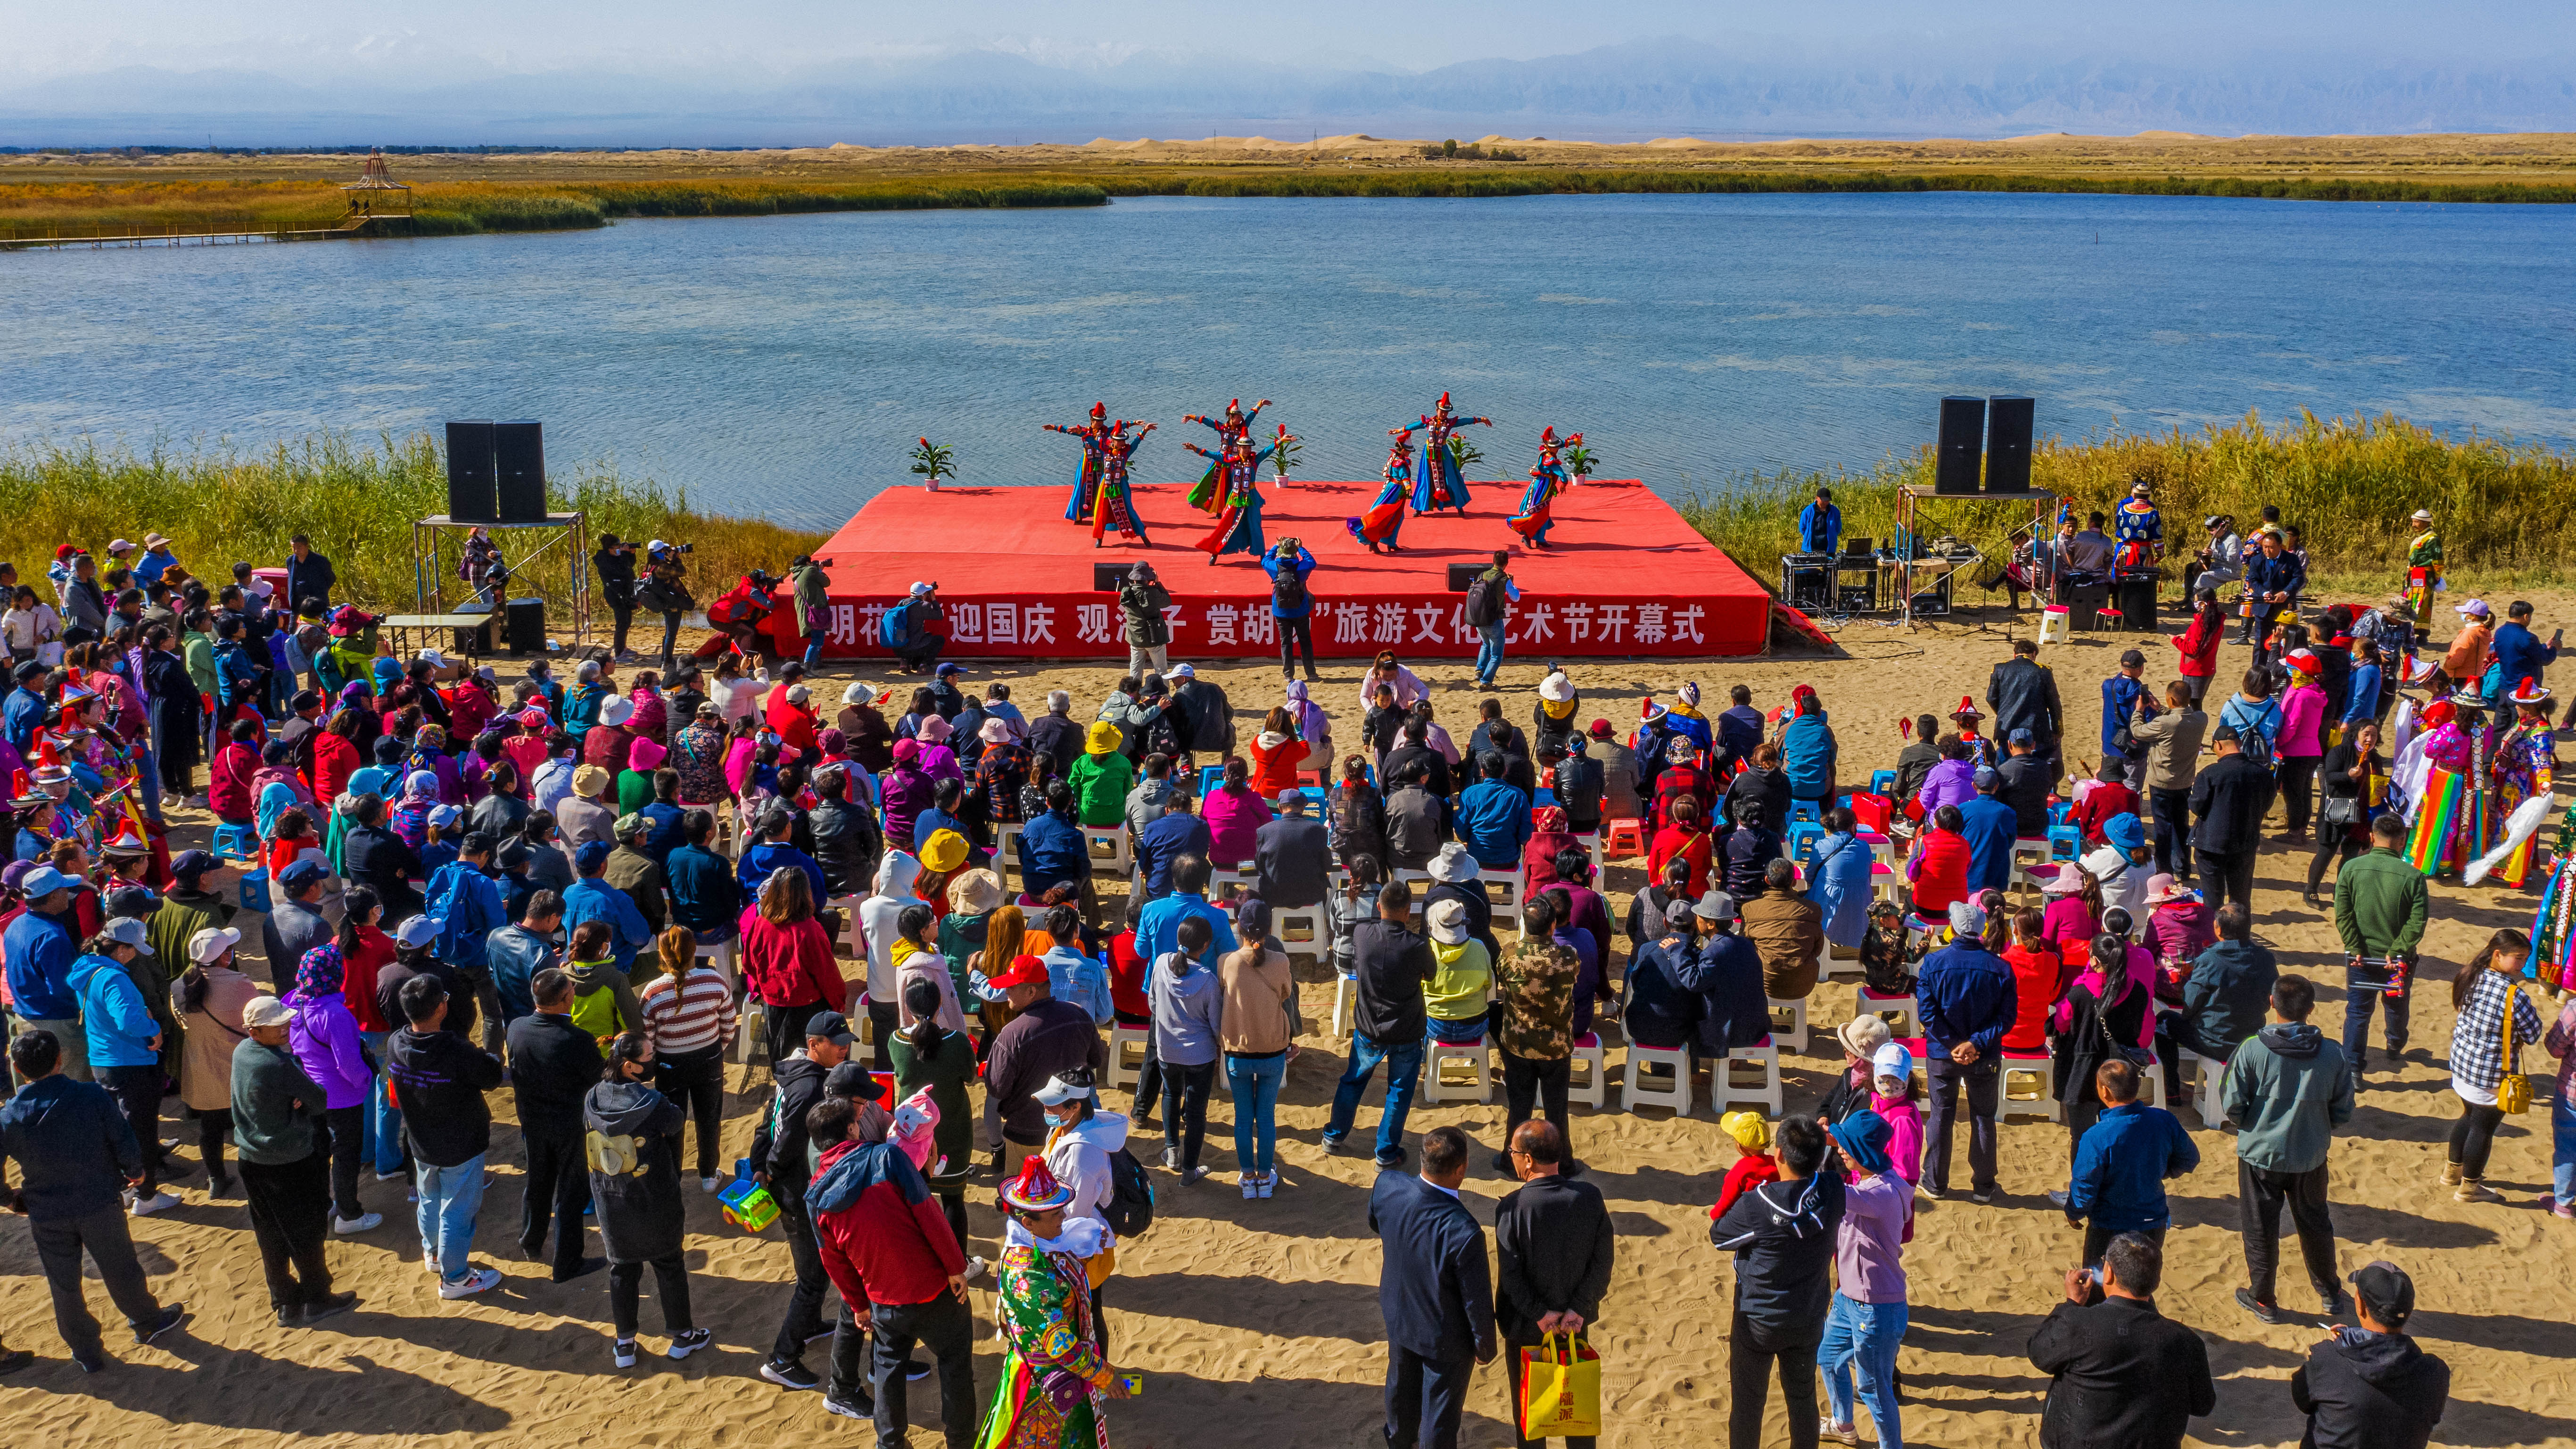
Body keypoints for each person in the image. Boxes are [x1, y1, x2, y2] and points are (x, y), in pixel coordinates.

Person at [0, 1029, 190, 1367]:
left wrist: (10, 1199)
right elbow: (123, 1138)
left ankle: (86, 1350)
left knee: (64, 1283)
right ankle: (147, 1322)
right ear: (60, 1059)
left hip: (46, 1210)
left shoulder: (9, 1116)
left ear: (16, 1066)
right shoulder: (90, 1096)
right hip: (97, 1200)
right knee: (121, 1267)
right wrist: (136, 1173)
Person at [811, 1097, 982, 1442]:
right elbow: (928, 1214)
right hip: (932, 1290)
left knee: (889, 1368)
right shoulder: (888, 1157)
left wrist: (859, 1304)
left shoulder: (816, 1195)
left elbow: (834, 1260)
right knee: (954, 1360)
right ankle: (961, 1439)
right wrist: (955, 1267)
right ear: (852, 1128)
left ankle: (890, 1441)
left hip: (885, 1303)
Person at [2222, 974, 2355, 1324]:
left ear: (2271, 1003)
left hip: (2260, 1154)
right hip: (2310, 1154)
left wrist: (2254, 1123)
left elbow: (2233, 1104)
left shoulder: (2252, 1049)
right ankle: (2329, 1291)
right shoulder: (2333, 1053)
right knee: (2315, 1222)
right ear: (2311, 1010)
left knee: (2260, 1226)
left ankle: (2263, 1297)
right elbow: (2343, 1109)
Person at [1710, 1114, 1845, 1449]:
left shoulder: (1756, 1204)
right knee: (1802, 1398)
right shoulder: (1833, 1189)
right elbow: (1832, 1172)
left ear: (1779, 1154)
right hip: (1808, 1317)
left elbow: (1718, 1236)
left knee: (1748, 1404)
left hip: (1759, 1320)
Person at [230, 992, 357, 1326]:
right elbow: (318, 1099)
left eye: (284, 1020)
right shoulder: (279, 1064)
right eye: (276, 1024)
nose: (284, 1026)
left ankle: (285, 1300)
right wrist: (298, 1100)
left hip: (252, 1158)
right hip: (291, 1161)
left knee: (269, 1232)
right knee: (308, 1230)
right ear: (254, 1030)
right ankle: (317, 1298)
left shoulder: (243, 1052)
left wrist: (292, 1100)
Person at [979, 1155, 1123, 1448]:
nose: (1064, 1218)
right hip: (1047, 1384)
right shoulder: (1028, 1275)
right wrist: (1104, 1375)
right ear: (1029, 1223)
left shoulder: (1042, 1247)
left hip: (1065, 1375)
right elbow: (1058, 1343)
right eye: (1056, 1215)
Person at [587, 1032, 711, 1366]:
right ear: (630, 1066)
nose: (653, 1061)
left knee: (622, 1269)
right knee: (670, 1265)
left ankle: (624, 1343)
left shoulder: (593, 1099)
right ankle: (683, 1336)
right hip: (654, 1198)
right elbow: (675, 1121)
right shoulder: (649, 1102)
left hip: (612, 1202)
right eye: (648, 1057)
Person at [2027, 1233, 2215, 1449]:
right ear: (2156, 1281)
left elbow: (2038, 1353)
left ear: (2108, 1274)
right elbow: (2203, 1405)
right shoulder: (2186, 1341)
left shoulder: (2079, 1324)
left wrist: (2070, 1304)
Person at [1372, 1124, 1497, 1449]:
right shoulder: (1465, 1230)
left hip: (1399, 1315)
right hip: (1445, 1338)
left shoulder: (1388, 1185)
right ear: (1462, 1169)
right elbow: (1476, 1299)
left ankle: (1399, 1442)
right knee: (1438, 1416)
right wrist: (1485, 1346)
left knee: (1400, 1389)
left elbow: (1377, 1222)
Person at [749, 1009, 853, 1392]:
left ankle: (808, 1326)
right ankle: (782, 1358)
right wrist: (772, 1170)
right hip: (796, 1191)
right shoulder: (811, 1087)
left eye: (847, 1043)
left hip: (787, 1185)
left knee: (810, 1270)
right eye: (838, 1045)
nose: (845, 1050)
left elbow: (767, 1121)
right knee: (813, 1278)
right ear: (814, 1045)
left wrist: (760, 1162)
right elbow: (791, 1135)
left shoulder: (790, 1073)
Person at [1494, 1120, 1613, 1449]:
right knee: (1577, 1410)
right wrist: (1577, 1309)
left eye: (1513, 1152)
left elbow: (1512, 1275)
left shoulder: (1512, 1207)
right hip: (1574, 1328)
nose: (1513, 1158)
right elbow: (1602, 1263)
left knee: (1531, 1418)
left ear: (1529, 1160)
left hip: (1526, 1327)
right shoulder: (1590, 1197)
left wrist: (1540, 1313)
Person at [388, 973, 506, 1299]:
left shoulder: (396, 1043)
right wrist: (492, 1058)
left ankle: (435, 1254)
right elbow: (491, 1077)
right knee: (457, 1209)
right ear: (441, 1008)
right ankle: (455, 1278)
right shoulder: (455, 1049)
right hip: (461, 1144)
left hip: (421, 1142)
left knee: (429, 1199)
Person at [69, 917, 177, 1212]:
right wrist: (152, 1029)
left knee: (118, 1130)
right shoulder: (115, 978)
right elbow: (128, 1020)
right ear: (120, 949)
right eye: (134, 949)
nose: (137, 954)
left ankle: (127, 1188)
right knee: (140, 1132)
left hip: (104, 1062)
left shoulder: (88, 969)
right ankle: (147, 1196)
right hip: (129, 1064)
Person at [506, 968, 606, 1282]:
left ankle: (530, 1239)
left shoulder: (517, 1027)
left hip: (533, 1121)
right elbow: (598, 1080)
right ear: (564, 1000)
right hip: (570, 1126)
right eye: (571, 992)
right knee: (571, 1193)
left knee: (538, 1181)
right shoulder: (576, 1039)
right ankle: (567, 1263)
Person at [1327, 878, 1435, 1169]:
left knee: (1353, 1081)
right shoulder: (1417, 946)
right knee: (1398, 1093)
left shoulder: (1363, 934)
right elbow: (1431, 974)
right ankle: (1386, 1153)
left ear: (1379, 907)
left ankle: (1334, 1137)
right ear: (1408, 911)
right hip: (1405, 1031)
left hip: (1369, 1027)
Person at [1818, 1110, 1908, 1449]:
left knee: (1874, 1386)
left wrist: (1812, 1147)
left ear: (1865, 1151)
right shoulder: (1874, 1183)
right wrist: (1832, 1139)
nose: (1841, 1149)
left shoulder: (1880, 1193)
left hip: (1877, 1308)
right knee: (1828, 1358)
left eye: (1847, 1145)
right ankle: (1843, 1424)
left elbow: (1830, 1191)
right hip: (1847, 1298)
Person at [1915, 897, 2014, 1203]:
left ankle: (1935, 1181)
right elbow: (2006, 1019)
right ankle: (1984, 1185)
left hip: (1944, 1055)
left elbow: (1927, 1013)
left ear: (1953, 928)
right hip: (1983, 1055)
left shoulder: (1933, 963)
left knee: (1941, 1115)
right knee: (1983, 1115)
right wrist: (1975, 1043)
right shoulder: (2001, 968)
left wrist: (1955, 1044)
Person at [2292, 1260, 2451, 1449]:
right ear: (2408, 1313)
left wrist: (2343, 1349)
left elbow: (2302, 1400)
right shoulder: (2436, 1373)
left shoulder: (2327, 1358)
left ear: (2360, 1305)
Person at [2441, 928, 2546, 1204]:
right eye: (2519, 958)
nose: (2523, 965)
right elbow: (2534, 1035)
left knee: (2467, 1117)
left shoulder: (2470, 975)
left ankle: (2452, 1172)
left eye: (2525, 959)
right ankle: (2469, 1187)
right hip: (2490, 1072)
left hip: (2463, 1063)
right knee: (2483, 1129)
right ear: (2497, 954)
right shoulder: (2514, 995)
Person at [982, 953, 1108, 1179]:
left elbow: (997, 1088)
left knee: (1023, 1200)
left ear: (1031, 991)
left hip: (1026, 1134)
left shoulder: (1012, 1034)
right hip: (1072, 1127)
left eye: (1012, 986)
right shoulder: (1078, 1014)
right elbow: (1096, 1060)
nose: (1006, 991)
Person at [2064, 1059, 2199, 1267]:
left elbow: (2085, 1185)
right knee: (2141, 1287)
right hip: (2153, 1222)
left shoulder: (2097, 1136)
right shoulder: (2164, 1120)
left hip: (2109, 1227)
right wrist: (2159, 1171)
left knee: (2101, 1288)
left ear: (2105, 1092)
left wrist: (2074, 1213)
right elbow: (2189, 1159)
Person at [2332, 813, 2428, 1079]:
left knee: (2357, 1011)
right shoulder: (2413, 877)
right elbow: (2417, 921)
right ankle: (2395, 1042)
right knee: (2396, 1004)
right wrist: (2397, 950)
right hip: (2397, 961)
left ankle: (2353, 1068)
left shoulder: (2351, 869)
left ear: (2372, 837)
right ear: (2403, 841)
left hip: (2360, 958)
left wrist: (2355, 947)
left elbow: (2343, 913)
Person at [1492, 893, 1582, 1176]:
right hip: (1556, 1048)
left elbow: (1502, 979)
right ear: (1553, 925)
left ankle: (1511, 1160)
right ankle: (1563, 1163)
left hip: (1519, 1045)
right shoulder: (1568, 957)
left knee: (1519, 1105)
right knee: (1557, 1108)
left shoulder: (1509, 954)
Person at [1218, 896, 1298, 1199]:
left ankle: (1248, 1177)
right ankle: (1265, 1177)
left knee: (1242, 1117)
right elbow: (1286, 992)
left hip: (1238, 1052)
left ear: (1239, 927)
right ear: (1268, 930)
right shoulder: (1281, 962)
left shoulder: (1227, 961)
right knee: (1266, 1117)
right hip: (1272, 1051)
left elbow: (1226, 988)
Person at [173, 925, 257, 1196]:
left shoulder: (178, 986)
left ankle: (216, 1179)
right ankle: (254, 1174)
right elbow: (255, 1021)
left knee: (209, 1129)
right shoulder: (240, 983)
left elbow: (182, 1023)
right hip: (237, 1066)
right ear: (225, 957)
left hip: (201, 1067)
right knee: (248, 1125)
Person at [2155, 902, 2277, 1088]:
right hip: (2251, 1038)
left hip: (2213, 1041)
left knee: (2163, 1021)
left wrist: (2183, 985)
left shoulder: (2210, 960)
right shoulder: (2267, 958)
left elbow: (2191, 1004)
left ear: (2218, 930)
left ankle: (2172, 1090)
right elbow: (2270, 999)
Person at [1148, 915, 1224, 1182]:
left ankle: (1172, 1153)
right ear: (1205, 946)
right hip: (1199, 1055)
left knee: (1170, 1093)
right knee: (1195, 1111)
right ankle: (1189, 1170)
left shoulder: (1160, 964)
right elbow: (1216, 1024)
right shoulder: (1208, 980)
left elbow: (1153, 1004)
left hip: (1167, 1050)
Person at [2188, 726, 2274, 911]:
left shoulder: (2210, 773)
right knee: (2241, 899)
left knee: (2213, 900)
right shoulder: (2264, 775)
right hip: (2245, 843)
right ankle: (2241, 935)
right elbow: (2266, 805)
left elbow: (2197, 805)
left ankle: (2214, 936)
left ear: (2218, 745)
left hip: (2211, 844)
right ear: (2240, 743)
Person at [2134, 681, 2208, 879]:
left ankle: (2164, 869)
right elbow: (2181, 717)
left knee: (2163, 828)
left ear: (2172, 699)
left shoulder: (2164, 724)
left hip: (2161, 783)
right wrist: (2162, 709)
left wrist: (2139, 711)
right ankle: (2183, 869)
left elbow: (2138, 732)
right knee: (2182, 825)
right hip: (2184, 782)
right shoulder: (2201, 719)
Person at [1739, 856, 1824, 1003]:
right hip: (1804, 983)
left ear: (1767, 881)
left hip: (1765, 983)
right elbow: (1818, 949)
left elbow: (1745, 949)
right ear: (1794, 882)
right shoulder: (1813, 909)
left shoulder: (1750, 909)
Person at [1987, 638, 2063, 776]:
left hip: (2007, 728)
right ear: (2033, 654)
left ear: (2015, 654)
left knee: (2004, 770)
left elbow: (1991, 698)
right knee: (2037, 770)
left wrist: (2004, 712)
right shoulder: (2043, 671)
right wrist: (2058, 730)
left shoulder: (2000, 669)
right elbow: (2054, 704)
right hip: (2037, 730)